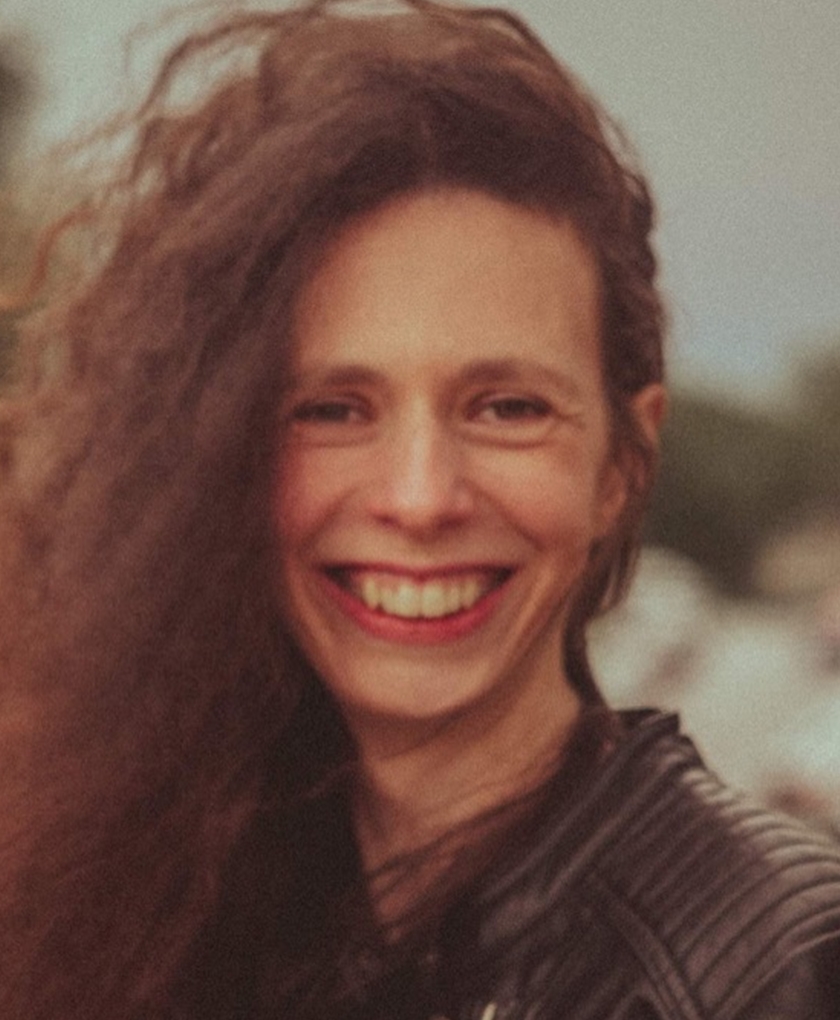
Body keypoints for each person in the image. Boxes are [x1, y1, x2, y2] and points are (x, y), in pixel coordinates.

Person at [0, 1, 838, 1018]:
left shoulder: (777, 967)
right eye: (331, 409)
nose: (420, 497)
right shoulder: (162, 897)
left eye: (508, 408)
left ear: (623, 462)